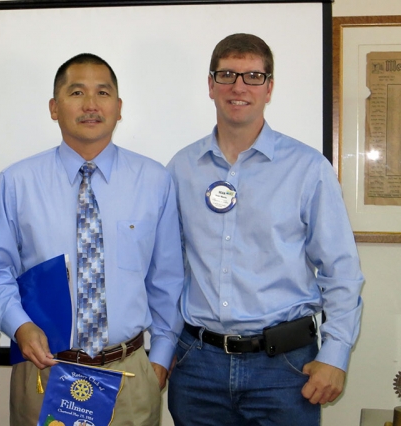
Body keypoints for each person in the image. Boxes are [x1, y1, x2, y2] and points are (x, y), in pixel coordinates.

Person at [166, 33, 364, 426]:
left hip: (285, 369)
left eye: (253, 76)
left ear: (269, 87)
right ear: (210, 85)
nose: (239, 86)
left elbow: (340, 271)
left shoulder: (308, 169)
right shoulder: (181, 168)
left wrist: (336, 355)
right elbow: (167, 270)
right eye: (227, 75)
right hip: (198, 366)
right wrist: (163, 345)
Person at [0, 53, 184, 425]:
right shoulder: (17, 182)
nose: (91, 104)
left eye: (102, 93)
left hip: (129, 376)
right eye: (77, 92)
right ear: (54, 108)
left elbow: (167, 279)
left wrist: (160, 359)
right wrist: (18, 326)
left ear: (119, 108)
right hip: (44, 373)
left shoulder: (154, 181)